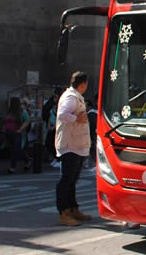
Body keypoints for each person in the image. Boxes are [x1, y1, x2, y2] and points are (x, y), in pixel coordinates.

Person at [55, 71, 93, 226]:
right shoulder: (71, 98)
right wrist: (76, 118)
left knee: (72, 180)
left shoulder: (75, 97)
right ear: (83, 84)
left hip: (76, 145)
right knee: (66, 180)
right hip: (70, 145)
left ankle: (72, 208)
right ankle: (64, 212)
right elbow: (62, 114)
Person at [3, 97, 30, 174]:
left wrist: (20, 129)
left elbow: (27, 120)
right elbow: (5, 121)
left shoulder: (21, 111)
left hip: (17, 133)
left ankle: (13, 167)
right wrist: (4, 128)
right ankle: (26, 160)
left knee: (17, 149)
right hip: (9, 132)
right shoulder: (9, 111)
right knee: (13, 150)